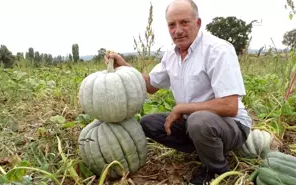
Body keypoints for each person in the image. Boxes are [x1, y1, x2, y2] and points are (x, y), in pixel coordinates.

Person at [105, 0, 252, 184]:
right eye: (172, 25)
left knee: (199, 120)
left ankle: (215, 168)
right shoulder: (172, 55)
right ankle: (205, 148)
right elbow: (150, 86)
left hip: (232, 126)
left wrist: (184, 108)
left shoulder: (218, 50)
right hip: (196, 123)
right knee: (149, 123)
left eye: (184, 22)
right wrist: (124, 66)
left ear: (197, 23)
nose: (178, 30)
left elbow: (230, 106)